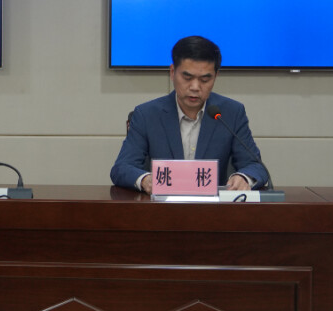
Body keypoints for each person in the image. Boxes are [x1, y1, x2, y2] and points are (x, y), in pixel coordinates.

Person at [111, 35, 269, 193]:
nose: (195, 87)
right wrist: (145, 179)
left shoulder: (231, 113)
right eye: (187, 78)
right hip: (162, 205)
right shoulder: (147, 114)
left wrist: (243, 177)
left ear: (215, 77)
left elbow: (255, 166)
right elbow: (122, 167)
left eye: (205, 80)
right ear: (172, 72)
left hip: (212, 206)